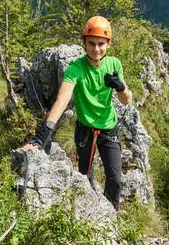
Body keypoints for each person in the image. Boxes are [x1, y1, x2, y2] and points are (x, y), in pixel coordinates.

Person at [22, 16, 131, 211]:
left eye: (101, 44)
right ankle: (86, 215)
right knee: (84, 176)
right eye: (91, 43)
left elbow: (126, 99)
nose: (96, 49)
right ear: (84, 43)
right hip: (85, 131)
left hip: (108, 129)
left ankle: (112, 220)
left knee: (115, 178)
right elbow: (62, 99)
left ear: (108, 43)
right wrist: (45, 131)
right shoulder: (76, 69)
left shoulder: (114, 64)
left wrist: (120, 87)